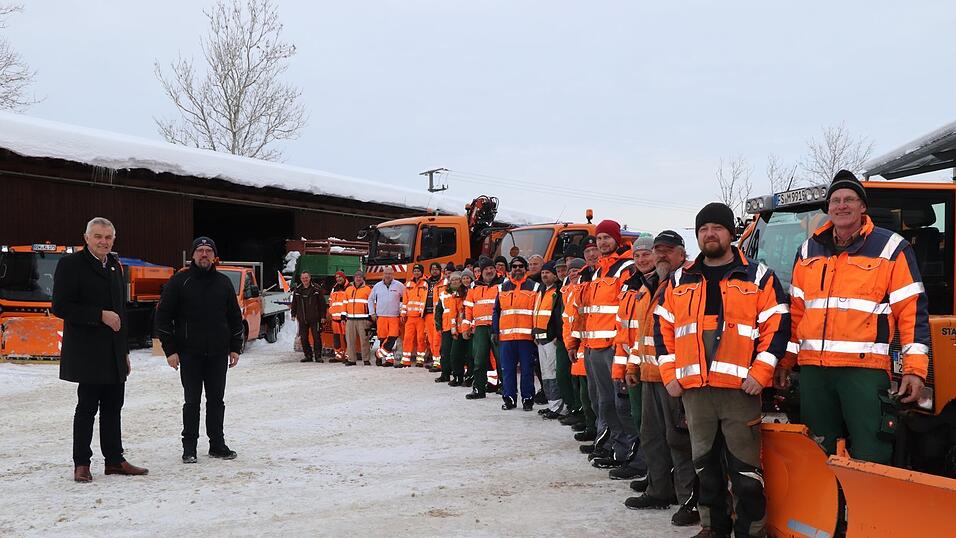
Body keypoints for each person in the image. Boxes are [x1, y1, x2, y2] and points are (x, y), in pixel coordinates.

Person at [655, 202, 790, 538]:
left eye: (716, 227)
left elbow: (778, 325)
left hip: (740, 391)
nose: (709, 234)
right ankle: (713, 527)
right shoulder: (678, 280)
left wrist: (761, 374)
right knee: (706, 467)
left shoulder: (758, 276)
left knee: (745, 471)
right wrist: (670, 375)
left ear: (731, 233)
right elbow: (662, 330)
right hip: (695, 392)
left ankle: (752, 530)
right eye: (703, 229)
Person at [776, 170, 929, 464]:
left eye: (849, 199)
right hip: (815, 374)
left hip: (864, 372)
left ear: (862, 207)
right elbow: (797, 314)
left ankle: (868, 509)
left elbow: (911, 312)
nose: (841, 205)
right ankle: (828, 509)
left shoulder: (892, 249)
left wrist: (914, 370)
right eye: (835, 200)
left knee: (871, 451)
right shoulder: (808, 250)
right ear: (828, 208)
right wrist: (785, 362)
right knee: (818, 451)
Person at [52, 217, 148, 482]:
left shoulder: (116, 267)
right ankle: (81, 463)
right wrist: (99, 315)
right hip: (87, 351)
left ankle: (115, 460)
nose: (103, 241)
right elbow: (60, 306)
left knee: (113, 406)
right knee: (86, 408)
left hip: (113, 352)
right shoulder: (71, 265)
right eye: (98, 236)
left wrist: (125, 352)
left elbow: (121, 313)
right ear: (86, 238)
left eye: (108, 237)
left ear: (113, 239)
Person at [623, 231, 699, 528]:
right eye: (657, 251)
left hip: (676, 378)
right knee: (652, 437)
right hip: (650, 375)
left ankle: (689, 500)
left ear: (682, 253)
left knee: (680, 441)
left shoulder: (689, 285)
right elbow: (640, 337)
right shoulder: (646, 287)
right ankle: (659, 490)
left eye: (668, 250)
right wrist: (633, 367)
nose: (661, 256)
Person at [157, 236, 244, 464]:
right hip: (190, 354)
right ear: (193, 255)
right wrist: (170, 351)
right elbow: (163, 317)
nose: (204, 254)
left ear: (214, 256)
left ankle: (217, 444)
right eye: (200, 251)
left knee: (217, 401)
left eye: (208, 251)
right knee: (192, 402)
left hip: (217, 354)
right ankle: (189, 448)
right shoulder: (179, 281)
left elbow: (235, 317)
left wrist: (235, 347)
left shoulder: (224, 283)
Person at [579, 221, 643, 476]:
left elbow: (625, 310)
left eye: (607, 238)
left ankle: (627, 450)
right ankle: (614, 446)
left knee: (619, 404)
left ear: (617, 239)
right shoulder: (597, 272)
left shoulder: (625, 268)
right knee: (603, 402)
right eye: (600, 238)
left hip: (613, 347)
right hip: (594, 345)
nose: (603, 242)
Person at [606, 235, 656, 482]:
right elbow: (622, 328)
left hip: (649, 364)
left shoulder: (658, 285)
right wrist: (620, 370)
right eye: (637, 255)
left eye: (646, 254)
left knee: (646, 420)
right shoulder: (629, 285)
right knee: (630, 413)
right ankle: (640, 460)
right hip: (630, 363)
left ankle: (646, 465)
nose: (641, 259)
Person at [492, 256, 541, 410]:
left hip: (526, 338)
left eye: (520, 266)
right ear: (510, 269)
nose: (517, 269)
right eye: (514, 266)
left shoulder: (534, 287)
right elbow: (496, 311)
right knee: (507, 370)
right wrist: (495, 331)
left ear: (525, 269)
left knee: (527, 370)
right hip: (506, 338)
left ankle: (527, 399)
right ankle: (509, 399)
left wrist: (536, 332)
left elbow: (537, 311)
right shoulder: (502, 288)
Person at [533, 261, 570, 419]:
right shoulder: (541, 290)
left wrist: (556, 335)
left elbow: (557, 316)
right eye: (543, 273)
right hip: (540, 338)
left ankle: (561, 407)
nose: (544, 275)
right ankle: (553, 404)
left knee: (554, 373)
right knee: (546, 374)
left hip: (551, 339)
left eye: (547, 272)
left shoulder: (558, 291)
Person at [560, 258, 591, 439]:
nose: (573, 273)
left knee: (587, 390)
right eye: (571, 270)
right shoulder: (568, 293)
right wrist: (568, 343)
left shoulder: (583, 289)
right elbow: (566, 321)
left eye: (577, 270)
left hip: (585, 344)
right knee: (580, 387)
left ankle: (590, 424)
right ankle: (586, 420)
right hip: (573, 344)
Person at [462, 258, 501, 399]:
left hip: (497, 327)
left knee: (500, 359)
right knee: (479, 359)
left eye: (491, 268)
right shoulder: (474, 287)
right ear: (481, 272)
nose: (489, 271)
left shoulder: (503, 285)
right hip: (480, 329)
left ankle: (504, 388)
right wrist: (466, 327)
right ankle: (478, 388)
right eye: (486, 269)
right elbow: (468, 309)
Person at [370, 266, 406, 367]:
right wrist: (372, 313)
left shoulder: (399, 285)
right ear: (383, 274)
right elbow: (370, 299)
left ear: (393, 274)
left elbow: (406, 298)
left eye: (389, 274)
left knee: (392, 337)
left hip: (394, 316)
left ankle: (379, 354)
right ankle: (389, 360)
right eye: (386, 273)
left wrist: (403, 310)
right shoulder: (377, 286)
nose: (388, 276)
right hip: (381, 316)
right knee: (382, 338)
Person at [435, 271, 465, 384]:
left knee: (457, 352)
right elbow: (438, 310)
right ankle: (445, 374)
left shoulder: (463, 293)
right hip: (446, 326)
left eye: (457, 279)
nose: (455, 281)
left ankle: (458, 374)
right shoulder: (443, 294)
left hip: (460, 326)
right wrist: (438, 324)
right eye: (453, 280)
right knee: (445, 351)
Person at [290, 271, 327, 363]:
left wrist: (323, 316)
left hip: (315, 318)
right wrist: (293, 314)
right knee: (304, 338)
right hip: (302, 318)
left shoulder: (316, 289)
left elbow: (322, 304)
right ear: (301, 279)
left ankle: (318, 356)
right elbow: (294, 303)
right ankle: (308, 355)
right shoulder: (297, 290)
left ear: (310, 278)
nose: (305, 280)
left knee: (316, 337)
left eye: (306, 278)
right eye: (303, 278)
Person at [401, 264, 429, 367]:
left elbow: (424, 299)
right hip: (410, 317)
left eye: (418, 271)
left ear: (422, 272)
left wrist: (422, 312)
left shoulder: (426, 284)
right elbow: (405, 300)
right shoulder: (408, 284)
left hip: (420, 317)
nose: (416, 273)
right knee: (408, 338)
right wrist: (403, 313)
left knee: (421, 338)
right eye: (415, 271)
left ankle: (420, 360)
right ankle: (406, 360)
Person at [343, 270, 373, 365]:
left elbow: (372, 304)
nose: (358, 278)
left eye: (360, 277)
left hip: (363, 320)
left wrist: (370, 316)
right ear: (354, 278)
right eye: (356, 277)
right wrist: (343, 315)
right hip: (350, 319)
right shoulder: (348, 290)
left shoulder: (368, 290)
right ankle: (352, 359)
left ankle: (366, 359)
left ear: (363, 278)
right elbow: (345, 303)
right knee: (350, 340)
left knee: (364, 340)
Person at [423, 262, 443, 369]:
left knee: (437, 339)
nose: (434, 271)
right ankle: (436, 361)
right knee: (430, 338)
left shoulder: (444, 282)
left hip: (438, 314)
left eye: (436, 269)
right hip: (427, 313)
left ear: (440, 270)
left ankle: (439, 362)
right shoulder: (426, 282)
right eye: (432, 269)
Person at [328, 271, 349, 362]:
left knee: (346, 338)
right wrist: (331, 311)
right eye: (336, 277)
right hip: (335, 318)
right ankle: (338, 356)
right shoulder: (334, 288)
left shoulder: (349, 288)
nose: (338, 279)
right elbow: (330, 301)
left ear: (344, 277)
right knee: (336, 338)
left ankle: (348, 356)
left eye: (340, 277)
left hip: (345, 318)